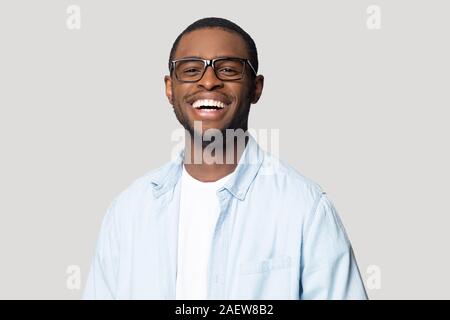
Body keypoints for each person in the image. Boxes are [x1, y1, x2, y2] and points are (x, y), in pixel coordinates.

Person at [83, 17, 368, 300]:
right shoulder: (128, 212)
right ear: (170, 89)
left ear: (256, 88)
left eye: (229, 69)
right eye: (192, 69)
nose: (209, 81)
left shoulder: (305, 208)